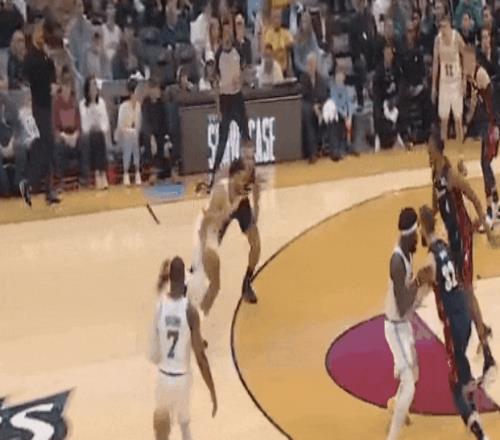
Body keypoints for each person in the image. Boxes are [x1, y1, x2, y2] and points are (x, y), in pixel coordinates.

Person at [428, 130, 497, 381]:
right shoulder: (436, 176)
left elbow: (475, 199)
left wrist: (488, 230)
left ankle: (488, 356)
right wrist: (427, 227)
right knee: (460, 290)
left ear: (437, 149)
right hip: (453, 239)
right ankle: (482, 328)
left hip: (464, 236)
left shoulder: (451, 176)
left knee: (466, 291)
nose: (427, 152)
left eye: (429, 148)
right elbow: (436, 208)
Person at [419, 204, 490, 440]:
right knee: (463, 366)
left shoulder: (430, 257)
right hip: (464, 315)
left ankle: (477, 428)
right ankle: (473, 411)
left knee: (454, 383)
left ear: (422, 228)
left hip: (452, 322)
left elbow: (428, 276)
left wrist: (416, 283)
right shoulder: (444, 246)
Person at [149, 256, 217, 440]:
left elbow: (153, 353)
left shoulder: (160, 307)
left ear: (170, 279)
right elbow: (201, 359)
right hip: (182, 378)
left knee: (161, 430)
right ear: (183, 280)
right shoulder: (190, 311)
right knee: (185, 426)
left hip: (164, 376)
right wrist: (212, 390)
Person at [384, 207, 433, 440]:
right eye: (417, 234)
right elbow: (403, 304)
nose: (418, 238)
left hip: (403, 323)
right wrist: (419, 282)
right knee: (410, 385)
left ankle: (396, 403)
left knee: (413, 373)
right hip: (395, 326)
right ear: (410, 234)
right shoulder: (397, 261)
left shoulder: (407, 251)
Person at [192, 155, 261, 311]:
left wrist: (257, 208)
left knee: (256, 243)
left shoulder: (251, 176)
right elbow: (208, 219)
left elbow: (256, 187)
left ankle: (247, 282)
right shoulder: (224, 182)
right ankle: (195, 268)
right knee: (208, 251)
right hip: (224, 208)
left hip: (241, 206)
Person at [209, 19, 250, 188]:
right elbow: (215, 83)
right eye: (225, 33)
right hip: (225, 99)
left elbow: (245, 69)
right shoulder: (218, 54)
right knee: (222, 140)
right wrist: (218, 108)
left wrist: (241, 79)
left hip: (237, 98)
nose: (227, 36)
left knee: (245, 135)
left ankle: (249, 173)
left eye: (229, 33)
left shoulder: (238, 50)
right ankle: (213, 175)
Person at [23, 20, 60, 204]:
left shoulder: (45, 55)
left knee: (47, 146)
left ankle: (47, 189)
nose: (41, 35)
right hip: (37, 107)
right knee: (45, 146)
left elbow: (53, 73)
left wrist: (53, 83)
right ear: (33, 35)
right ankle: (32, 184)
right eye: (38, 31)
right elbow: (27, 79)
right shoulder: (30, 57)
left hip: (47, 104)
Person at [463, 46, 500, 227]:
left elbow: (494, 101)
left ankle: (493, 208)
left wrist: (496, 125)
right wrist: (466, 125)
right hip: (486, 124)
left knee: (485, 164)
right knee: (485, 164)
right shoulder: (470, 77)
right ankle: (495, 206)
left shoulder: (481, 74)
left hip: (491, 124)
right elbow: (472, 103)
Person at [431, 15, 466, 162]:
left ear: (450, 25)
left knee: (458, 119)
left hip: (456, 82)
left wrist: (464, 80)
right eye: (441, 27)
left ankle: (461, 153)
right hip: (444, 83)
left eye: (445, 27)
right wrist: (434, 86)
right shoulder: (438, 40)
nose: (442, 30)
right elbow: (435, 64)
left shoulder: (456, 38)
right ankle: (443, 153)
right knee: (444, 119)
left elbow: (466, 55)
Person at [79, 75, 111, 190]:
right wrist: (92, 126)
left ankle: (101, 173)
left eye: (95, 86)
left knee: (99, 135)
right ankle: (98, 173)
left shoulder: (101, 103)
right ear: (87, 89)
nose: (94, 89)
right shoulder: (82, 104)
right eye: (92, 86)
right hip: (88, 136)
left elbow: (105, 122)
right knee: (95, 135)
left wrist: (99, 127)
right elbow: (83, 124)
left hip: (100, 135)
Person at [116, 77, 142, 186]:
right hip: (123, 136)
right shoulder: (123, 107)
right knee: (130, 136)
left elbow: (139, 126)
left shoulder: (139, 106)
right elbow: (120, 126)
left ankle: (137, 170)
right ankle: (126, 171)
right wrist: (129, 130)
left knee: (134, 136)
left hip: (135, 137)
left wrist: (134, 131)